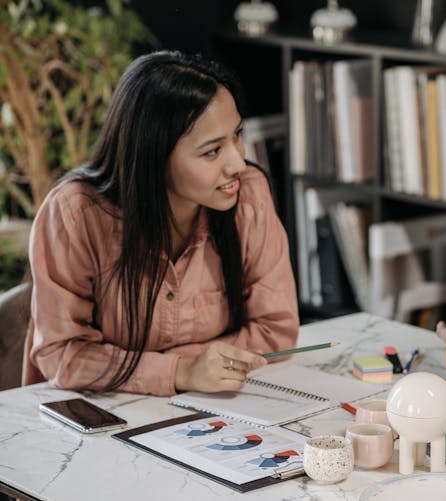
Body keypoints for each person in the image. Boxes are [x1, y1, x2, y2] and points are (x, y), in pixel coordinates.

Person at [22, 51, 299, 396]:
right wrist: (181, 372)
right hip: (93, 418)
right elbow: (61, 352)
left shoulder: (250, 195)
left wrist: (186, 370)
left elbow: (276, 330)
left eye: (237, 135)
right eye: (212, 151)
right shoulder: (75, 214)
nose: (238, 163)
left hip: (212, 410)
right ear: (153, 156)